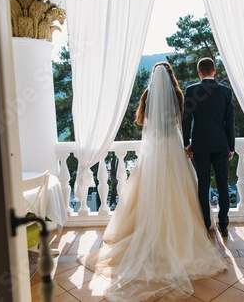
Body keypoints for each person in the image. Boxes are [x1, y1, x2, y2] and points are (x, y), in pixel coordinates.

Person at [80, 62, 226, 302]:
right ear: (170, 76)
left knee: (147, 192)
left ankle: (149, 232)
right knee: (178, 190)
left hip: (153, 149)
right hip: (172, 146)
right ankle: (180, 233)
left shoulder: (148, 94)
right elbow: (182, 120)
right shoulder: (178, 94)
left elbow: (141, 121)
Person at [182, 57, 235, 238]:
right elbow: (230, 122)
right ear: (214, 71)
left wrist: (186, 144)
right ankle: (224, 225)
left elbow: (186, 119)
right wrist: (231, 146)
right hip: (221, 145)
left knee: (203, 186)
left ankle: (205, 224)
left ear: (199, 72)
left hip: (201, 146)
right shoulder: (226, 92)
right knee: (222, 185)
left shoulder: (191, 90)